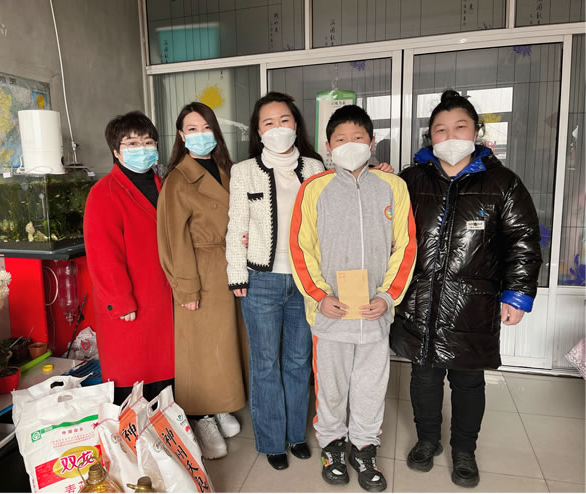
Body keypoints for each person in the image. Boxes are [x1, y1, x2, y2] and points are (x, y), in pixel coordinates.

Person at [390, 89, 542, 488]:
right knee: (424, 378)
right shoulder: (410, 180)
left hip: (473, 305)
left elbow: (523, 241)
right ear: (430, 136)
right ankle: (427, 440)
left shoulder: (502, 183)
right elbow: (386, 230)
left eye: (460, 127)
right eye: (441, 129)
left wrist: (517, 294)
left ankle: (463, 450)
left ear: (476, 132)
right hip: (420, 299)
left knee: (468, 381)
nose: (450, 136)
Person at [289, 104, 417, 492]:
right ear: (328, 147)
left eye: (358, 137)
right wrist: (318, 295)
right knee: (331, 387)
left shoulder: (393, 186)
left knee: (371, 386)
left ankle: (364, 448)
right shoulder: (315, 189)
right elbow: (300, 247)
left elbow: (405, 246)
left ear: (371, 142)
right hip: (331, 312)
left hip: (375, 312)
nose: (350, 145)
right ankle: (332, 446)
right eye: (340, 139)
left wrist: (388, 296)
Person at [225, 92, 324, 470]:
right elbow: (236, 227)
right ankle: (271, 441)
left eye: (284, 120)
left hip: (305, 280)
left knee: (299, 361)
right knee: (266, 363)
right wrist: (237, 274)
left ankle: (296, 434)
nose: (278, 128)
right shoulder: (244, 171)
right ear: (258, 130)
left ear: (296, 124)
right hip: (261, 281)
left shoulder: (315, 168)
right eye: (269, 122)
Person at [157, 102, 248, 460]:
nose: (200, 135)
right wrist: (186, 286)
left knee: (224, 343)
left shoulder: (227, 169)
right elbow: (172, 239)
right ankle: (201, 415)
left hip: (231, 264)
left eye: (205, 127)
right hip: (199, 266)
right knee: (200, 348)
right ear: (181, 135)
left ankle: (221, 403)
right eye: (191, 129)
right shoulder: (178, 179)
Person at [84, 111, 174, 405]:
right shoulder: (104, 192)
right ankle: (134, 432)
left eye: (148, 142)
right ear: (116, 150)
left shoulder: (165, 185)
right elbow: (103, 254)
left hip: (164, 295)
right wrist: (120, 300)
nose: (142, 149)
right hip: (131, 299)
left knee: (166, 371)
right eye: (132, 143)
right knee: (133, 375)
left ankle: (167, 429)